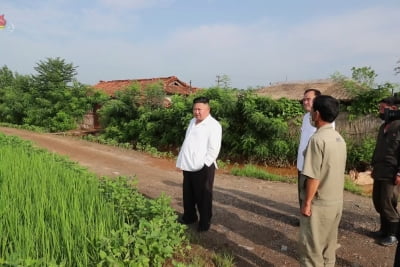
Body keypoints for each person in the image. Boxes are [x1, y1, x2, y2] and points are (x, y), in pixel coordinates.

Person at [298, 95, 347, 266]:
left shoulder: (317, 140)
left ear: (317, 114)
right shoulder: (339, 138)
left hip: (319, 204)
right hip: (335, 203)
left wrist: (307, 203)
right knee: (328, 249)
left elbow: (314, 176)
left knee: (312, 251)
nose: (311, 114)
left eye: (312, 111)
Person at [176, 96, 222, 232]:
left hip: (203, 167)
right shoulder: (192, 122)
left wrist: (205, 164)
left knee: (203, 196)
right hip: (188, 164)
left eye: (200, 109)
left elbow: (214, 148)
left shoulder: (213, 126)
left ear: (208, 109)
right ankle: (190, 217)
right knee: (188, 193)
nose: (197, 112)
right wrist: (182, 161)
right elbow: (187, 142)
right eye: (195, 109)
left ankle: (204, 222)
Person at [371, 96, 400, 247]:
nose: (380, 111)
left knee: (388, 202)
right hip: (379, 169)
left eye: (382, 108)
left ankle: (393, 234)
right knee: (378, 201)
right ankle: (384, 230)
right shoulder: (383, 127)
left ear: (393, 109)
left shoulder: (399, 126)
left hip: (392, 172)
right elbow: (379, 149)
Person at [296, 89, 321, 209]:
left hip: (312, 166)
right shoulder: (306, 117)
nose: (305, 102)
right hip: (302, 164)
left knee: (312, 196)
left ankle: (311, 223)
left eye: (308, 99)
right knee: (301, 193)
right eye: (304, 99)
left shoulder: (323, 119)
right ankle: (303, 219)